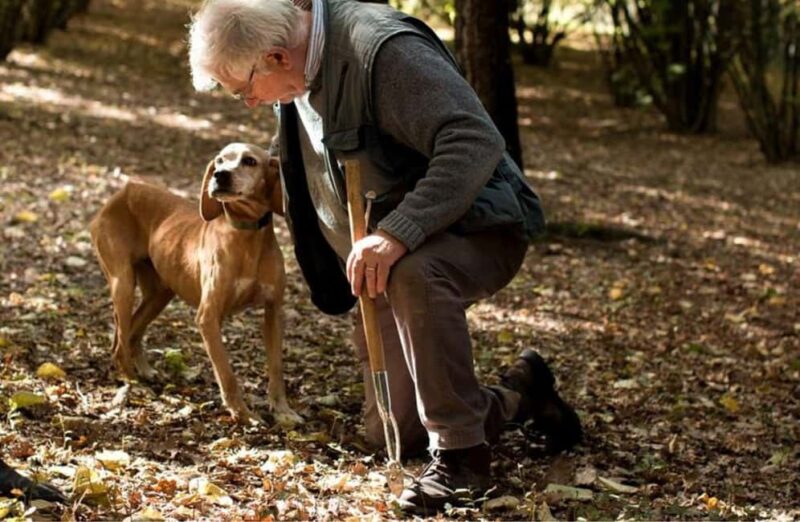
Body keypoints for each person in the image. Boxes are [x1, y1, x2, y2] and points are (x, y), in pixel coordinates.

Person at [188, 0, 582, 514]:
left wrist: (398, 232)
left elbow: (473, 140)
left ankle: (462, 461)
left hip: (478, 226)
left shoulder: (383, 53)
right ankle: (520, 395)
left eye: (243, 89)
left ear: (277, 57)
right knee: (395, 431)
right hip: (383, 263)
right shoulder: (294, 70)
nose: (248, 103)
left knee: (415, 271)